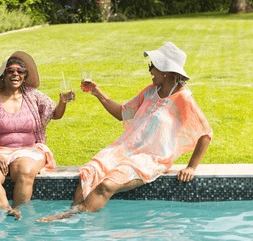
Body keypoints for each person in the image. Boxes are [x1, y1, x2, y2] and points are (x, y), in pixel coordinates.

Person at [38, 42, 212, 222]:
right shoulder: (151, 91)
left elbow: (205, 133)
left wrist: (191, 167)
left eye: (152, 66)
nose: (150, 70)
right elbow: (122, 113)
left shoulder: (182, 97)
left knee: (106, 185)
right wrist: (97, 92)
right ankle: (77, 217)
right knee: (89, 171)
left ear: (165, 70)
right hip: (124, 149)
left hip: (150, 158)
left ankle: (68, 217)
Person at [0, 51, 74, 220]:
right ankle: (7, 211)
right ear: (3, 75)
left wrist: (62, 102)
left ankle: (20, 211)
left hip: (28, 149)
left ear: (25, 76)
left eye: (20, 71)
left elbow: (55, 114)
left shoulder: (33, 95)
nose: (15, 74)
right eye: (11, 71)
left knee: (24, 172)